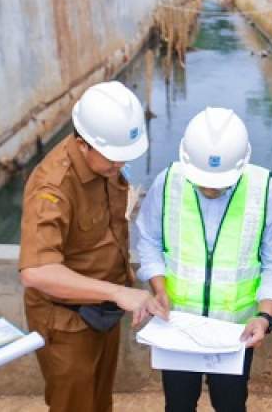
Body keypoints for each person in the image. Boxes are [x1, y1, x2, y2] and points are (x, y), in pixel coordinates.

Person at [19, 81, 168, 412]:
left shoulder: (104, 162)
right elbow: (36, 271)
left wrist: (118, 289)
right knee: (74, 404)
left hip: (103, 309)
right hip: (66, 321)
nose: (119, 167)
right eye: (113, 160)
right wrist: (118, 293)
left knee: (99, 402)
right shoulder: (54, 187)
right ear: (82, 144)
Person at [136, 107, 272, 412]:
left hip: (235, 332)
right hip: (178, 328)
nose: (210, 187)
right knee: (178, 406)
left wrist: (264, 317)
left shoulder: (266, 191)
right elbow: (149, 241)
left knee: (231, 405)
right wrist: (160, 288)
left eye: (219, 182)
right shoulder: (167, 183)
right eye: (202, 181)